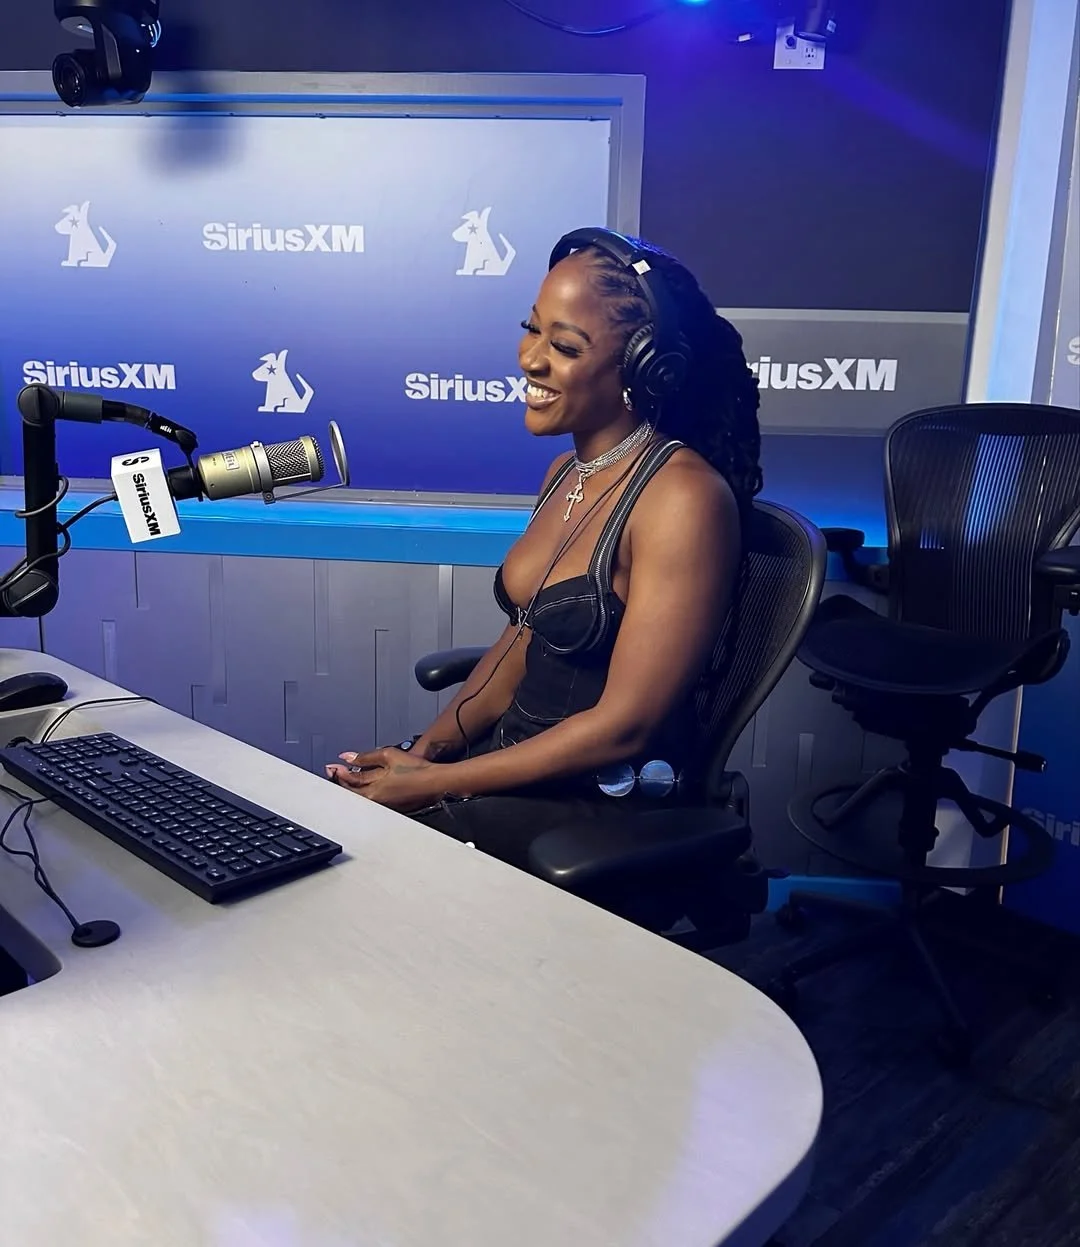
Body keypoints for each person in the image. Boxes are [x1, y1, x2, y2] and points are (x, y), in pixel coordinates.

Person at [325, 228, 762, 871]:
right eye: (532, 330)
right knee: (335, 820)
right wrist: (430, 751)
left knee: (366, 863)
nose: (531, 359)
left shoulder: (682, 499)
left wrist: (431, 786)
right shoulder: (566, 472)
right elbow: (522, 641)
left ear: (643, 366)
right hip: (514, 767)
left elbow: (625, 727)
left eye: (563, 346)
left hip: (597, 804)